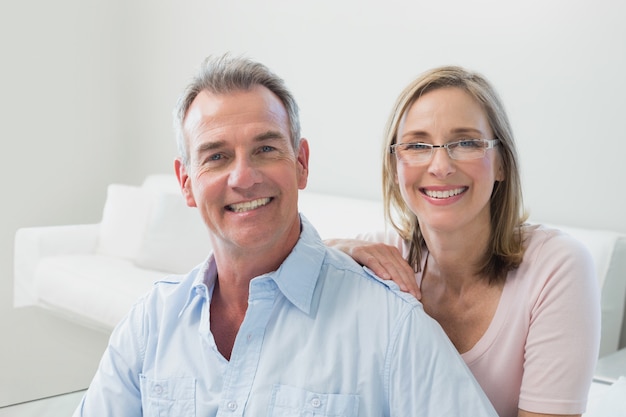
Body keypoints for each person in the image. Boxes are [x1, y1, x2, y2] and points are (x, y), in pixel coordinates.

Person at [72, 55, 498, 417]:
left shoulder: (392, 327)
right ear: (186, 182)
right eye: (217, 156)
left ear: (301, 164)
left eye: (266, 149)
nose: (244, 177)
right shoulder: (151, 323)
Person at [326, 66, 601, 417]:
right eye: (418, 145)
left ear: (502, 163)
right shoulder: (376, 259)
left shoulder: (557, 266)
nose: (441, 165)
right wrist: (339, 250)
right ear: (396, 168)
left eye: (466, 143)